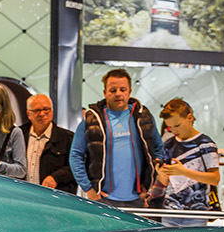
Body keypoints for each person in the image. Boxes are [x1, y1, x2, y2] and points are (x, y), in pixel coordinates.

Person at [69, 69, 165, 207]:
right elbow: (75, 155)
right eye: (113, 90)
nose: (118, 94)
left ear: (129, 91)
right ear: (104, 93)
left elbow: (158, 148)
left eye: (122, 89)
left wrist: (150, 182)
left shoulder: (143, 116)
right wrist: (89, 189)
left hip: (137, 199)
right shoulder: (91, 120)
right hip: (103, 198)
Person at [154, 98, 220, 227]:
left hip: (196, 212)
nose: (174, 130)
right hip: (170, 211)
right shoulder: (168, 144)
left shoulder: (205, 144)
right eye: (170, 127)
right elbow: (164, 182)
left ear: (190, 118)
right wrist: (161, 174)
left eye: (177, 125)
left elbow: (215, 179)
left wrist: (184, 171)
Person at [19, 93, 75, 192]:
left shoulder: (67, 138)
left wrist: (56, 177)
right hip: (22, 195)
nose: (42, 114)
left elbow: (76, 166)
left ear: (52, 111)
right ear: (28, 114)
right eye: (37, 110)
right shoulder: (19, 135)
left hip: (53, 198)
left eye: (46, 109)